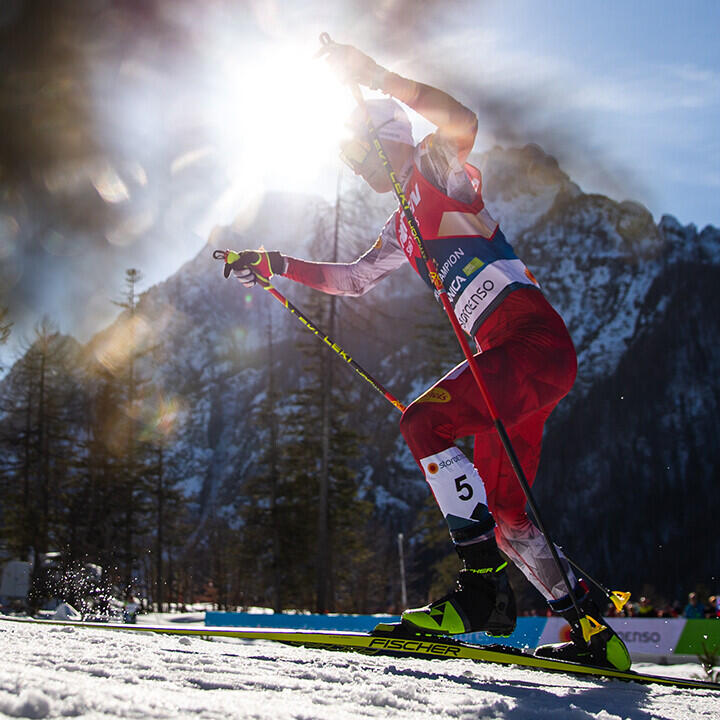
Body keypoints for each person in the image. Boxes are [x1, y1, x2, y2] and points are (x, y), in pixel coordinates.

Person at [214, 40, 630, 671]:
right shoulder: (401, 225)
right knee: (511, 516)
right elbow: (353, 279)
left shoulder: (436, 169)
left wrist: (377, 77)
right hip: (515, 366)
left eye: (359, 151)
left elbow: (461, 118)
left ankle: (481, 591)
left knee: (421, 421)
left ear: (391, 140)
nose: (357, 167)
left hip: (531, 345)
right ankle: (591, 626)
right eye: (349, 160)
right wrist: (276, 264)